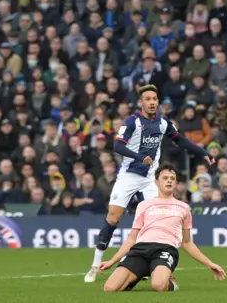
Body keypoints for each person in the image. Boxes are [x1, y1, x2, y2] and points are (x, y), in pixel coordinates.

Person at [84, 84, 216, 283]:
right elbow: (118, 145)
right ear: (141, 102)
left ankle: (158, 267)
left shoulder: (163, 123)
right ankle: (95, 265)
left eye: (155, 98)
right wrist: (139, 157)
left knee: (157, 220)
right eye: (148, 99)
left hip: (149, 178)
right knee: (113, 217)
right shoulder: (132, 122)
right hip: (129, 175)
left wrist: (203, 152)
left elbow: (180, 140)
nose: (152, 102)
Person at [98, 163, 226, 292]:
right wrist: (112, 261)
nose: (169, 180)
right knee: (110, 288)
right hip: (140, 250)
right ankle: (137, 275)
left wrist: (210, 264)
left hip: (165, 249)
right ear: (157, 182)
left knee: (158, 286)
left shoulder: (184, 208)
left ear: (175, 183)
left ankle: (170, 282)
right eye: (165, 178)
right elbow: (132, 238)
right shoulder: (144, 205)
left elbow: (187, 242)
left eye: (172, 178)